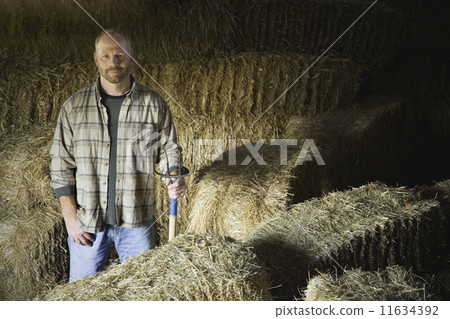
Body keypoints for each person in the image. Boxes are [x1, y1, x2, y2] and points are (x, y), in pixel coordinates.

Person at [50, 28, 186, 282]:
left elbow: (168, 150)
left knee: (143, 293)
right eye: (106, 56)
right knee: (80, 299)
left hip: (137, 221)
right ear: (95, 58)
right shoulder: (74, 107)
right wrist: (70, 218)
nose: (114, 63)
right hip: (86, 222)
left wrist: (174, 175)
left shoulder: (153, 104)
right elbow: (60, 165)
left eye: (120, 55)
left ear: (131, 57)